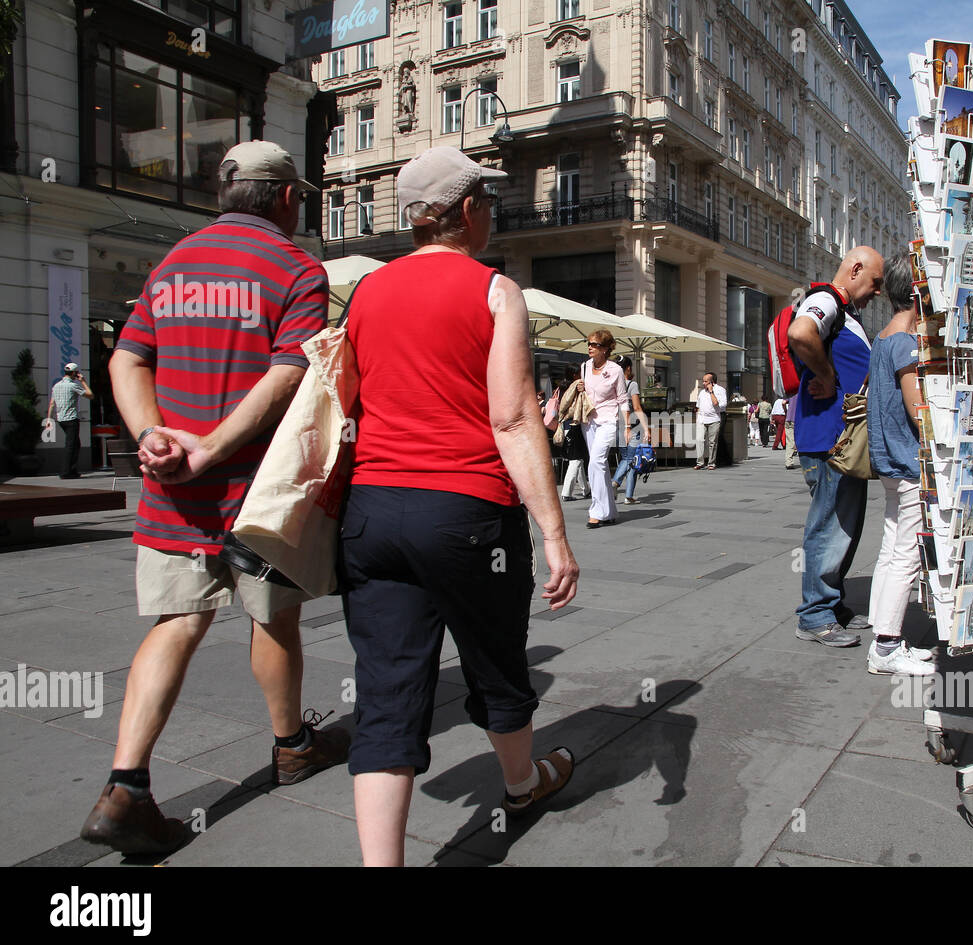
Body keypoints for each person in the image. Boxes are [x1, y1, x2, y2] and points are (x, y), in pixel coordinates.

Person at [81, 140, 349, 856]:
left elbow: (126, 357)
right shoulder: (296, 268)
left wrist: (154, 439)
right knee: (274, 621)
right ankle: (291, 745)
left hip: (174, 496)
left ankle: (126, 785)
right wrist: (215, 447)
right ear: (289, 198)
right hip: (255, 495)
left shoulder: (174, 263)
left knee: (175, 623)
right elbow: (290, 371)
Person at [338, 146, 580, 866]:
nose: (493, 216)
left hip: (373, 514)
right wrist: (555, 532)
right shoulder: (494, 291)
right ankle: (521, 783)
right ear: (467, 211)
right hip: (468, 513)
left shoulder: (366, 293)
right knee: (498, 663)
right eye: (490, 204)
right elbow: (511, 418)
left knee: (386, 695)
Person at [790, 246, 885, 646]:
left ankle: (832, 605)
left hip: (840, 439)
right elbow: (800, 332)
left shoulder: (844, 310)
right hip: (830, 439)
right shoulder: (825, 299)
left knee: (843, 525)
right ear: (855, 268)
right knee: (829, 525)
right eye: (875, 282)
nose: (877, 291)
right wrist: (827, 377)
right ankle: (815, 615)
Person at [864, 254, 937, 675]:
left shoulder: (882, 339)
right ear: (918, 294)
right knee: (906, 552)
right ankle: (888, 646)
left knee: (892, 546)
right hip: (908, 461)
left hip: (888, 460)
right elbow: (917, 409)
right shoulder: (906, 344)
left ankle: (883, 630)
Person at [574, 329, 628, 528]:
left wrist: (628, 426)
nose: (590, 347)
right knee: (600, 467)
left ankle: (596, 511)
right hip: (588, 421)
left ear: (605, 349)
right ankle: (610, 512)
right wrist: (581, 387)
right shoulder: (585, 367)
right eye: (588, 343)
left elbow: (623, 400)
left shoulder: (615, 370)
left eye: (595, 344)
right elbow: (586, 393)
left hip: (608, 420)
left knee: (596, 462)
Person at [611, 356, 652, 505]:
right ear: (628, 368)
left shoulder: (613, 384)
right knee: (630, 459)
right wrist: (646, 428)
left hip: (616, 426)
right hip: (632, 426)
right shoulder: (631, 384)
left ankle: (629, 496)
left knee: (630, 460)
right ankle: (614, 483)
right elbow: (637, 408)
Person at [48, 362, 94, 478]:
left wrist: (49, 419)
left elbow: (52, 403)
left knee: (75, 444)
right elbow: (90, 395)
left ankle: (72, 470)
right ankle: (65, 472)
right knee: (71, 445)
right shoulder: (73, 385)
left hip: (61, 419)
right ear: (74, 373)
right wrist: (83, 381)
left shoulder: (56, 385)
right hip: (71, 419)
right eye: (76, 373)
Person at [556, 367, 590, 501]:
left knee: (578, 459)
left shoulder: (560, 388)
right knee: (575, 460)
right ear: (575, 374)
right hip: (573, 424)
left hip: (564, 425)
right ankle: (566, 492)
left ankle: (585, 490)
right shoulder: (575, 386)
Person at [694, 372, 727, 470]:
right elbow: (698, 406)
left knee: (712, 442)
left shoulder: (720, 390)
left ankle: (711, 463)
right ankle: (700, 462)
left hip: (714, 419)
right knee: (699, 440)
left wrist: (711, 392)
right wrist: (698, 418)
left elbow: (720, 404)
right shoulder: (702, 392)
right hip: (702, 419)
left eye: (705, 381)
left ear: (712, 382)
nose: (703, 383)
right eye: (703, 381)